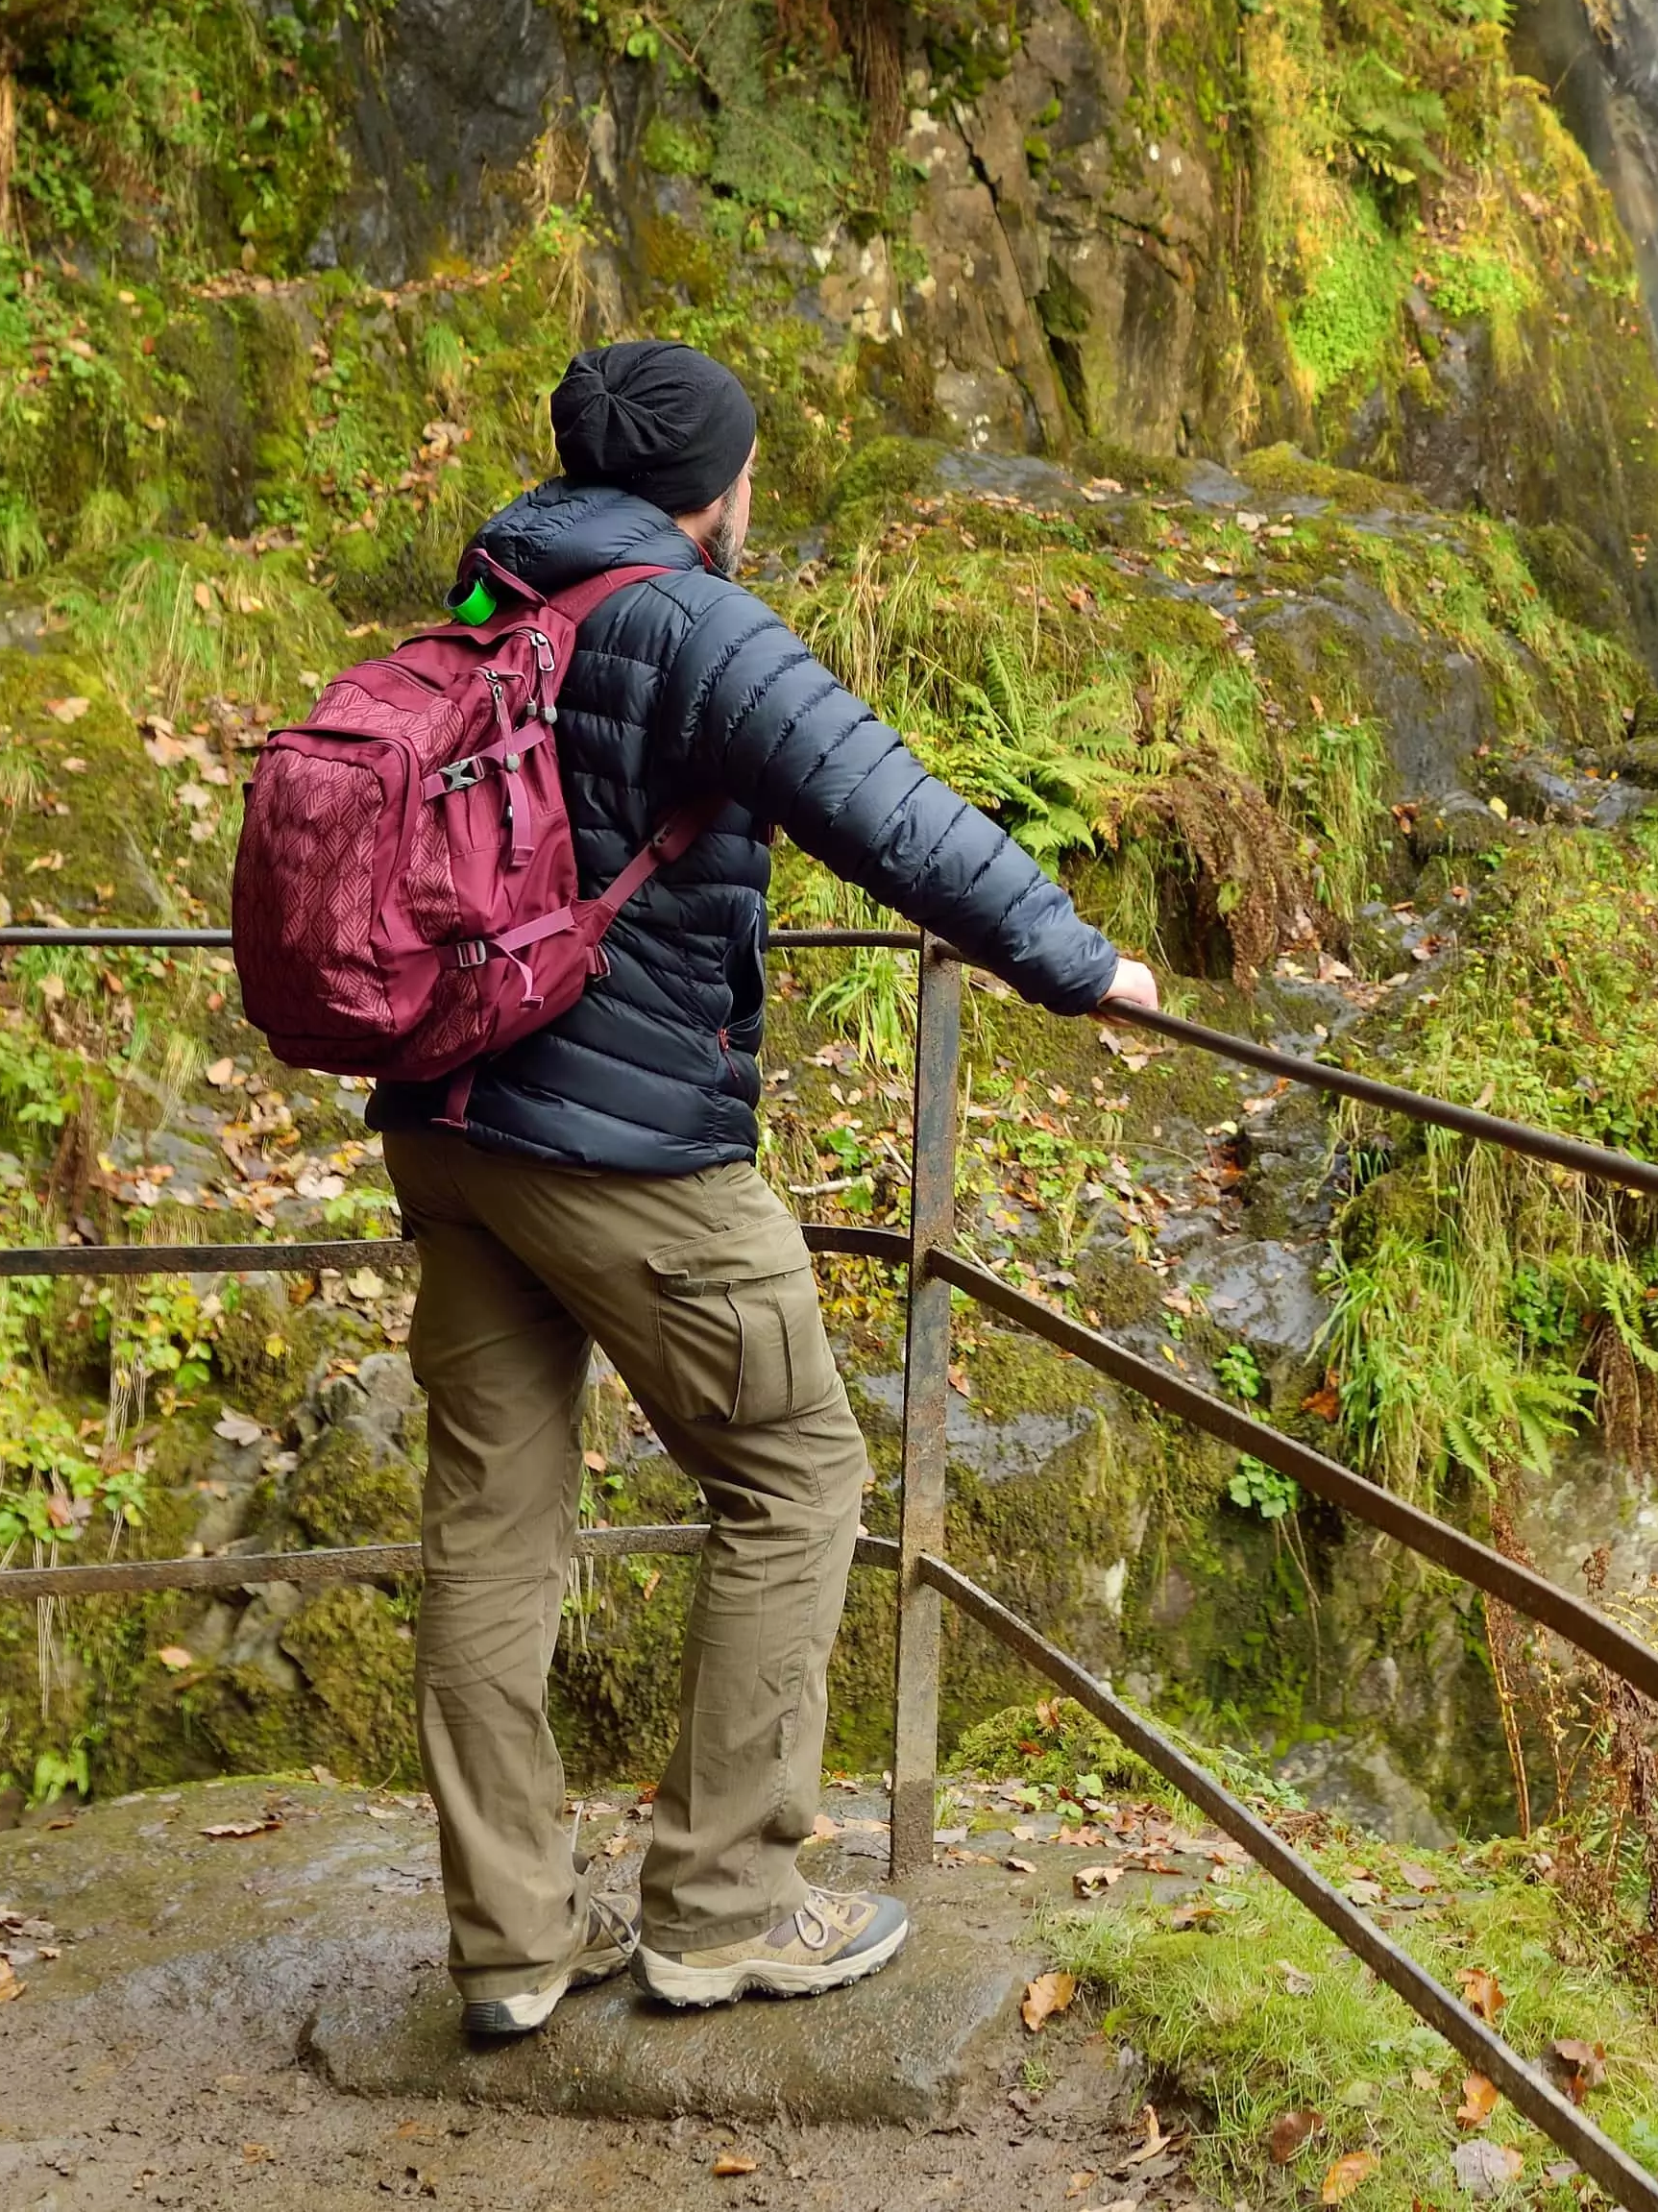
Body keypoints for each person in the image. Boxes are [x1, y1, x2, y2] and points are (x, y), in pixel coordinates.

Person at [376, 337, 1157, 2042]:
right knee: (796, 1467)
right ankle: (722, 1908)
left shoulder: (495, 589)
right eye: (751, 471)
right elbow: (887, 807)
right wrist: (1077, 962)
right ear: (709, 488)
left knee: (493, 1528)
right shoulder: (690, 619)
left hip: (450, 1121)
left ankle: (513, 1948)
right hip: (620, 1142)